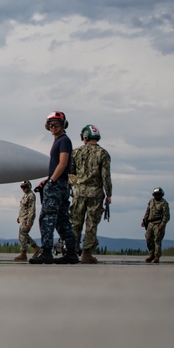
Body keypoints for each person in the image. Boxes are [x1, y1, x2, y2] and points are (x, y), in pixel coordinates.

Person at [30, 111, 78, 264]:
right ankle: (71, 253)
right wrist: (48, 180)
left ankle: (46, 252)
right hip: (61, 184)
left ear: (63, 125)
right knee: (62, 221)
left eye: (56, 124)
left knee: (47, 218)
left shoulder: (64, 141)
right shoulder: (60, 140)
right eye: (50, 124)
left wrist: (51, 182)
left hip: (57, 186)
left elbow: (63, 163)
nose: (53, 127)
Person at [69, 124, 112, 264]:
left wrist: (75, 187)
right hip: (96, 194)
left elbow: (71, 174)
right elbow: (106, 176)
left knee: (75, 223)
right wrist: (109, 194)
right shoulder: (103, 153)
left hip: (79, 193)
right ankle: (87, 254)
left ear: (85, 137)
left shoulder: (75, 152)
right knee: (91, 224)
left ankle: (72, 252)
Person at [13, 180, 41, 262]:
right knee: (23, 235)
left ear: (29, 186)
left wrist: (29, 221)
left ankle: (24, 253)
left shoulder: (31, 195)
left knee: (22, 235)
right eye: (22, 187)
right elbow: (23, 208)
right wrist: (19, 216)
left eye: (25, 187)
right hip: (23, 218)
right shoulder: (25, 195)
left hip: (27, 219)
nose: (23, 189)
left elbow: (32, 209)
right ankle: (36, 248)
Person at [141, 187, 170, 264]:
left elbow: (166, 216)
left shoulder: (164, 203)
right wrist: (144, 220)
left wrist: (162, 225)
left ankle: (157, 256)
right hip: (150, 223)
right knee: (148, 238)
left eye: (159, 194)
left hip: (158, 223)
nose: (157, 196)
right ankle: (151, 255)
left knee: (157, 240)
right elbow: (147, 212)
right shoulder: (151, 202)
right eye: (156, 194)